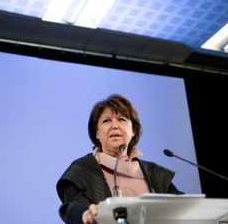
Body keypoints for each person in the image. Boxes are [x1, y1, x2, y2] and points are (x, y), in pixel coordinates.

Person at [56, 94, 183, 224]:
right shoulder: (82, 169)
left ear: (133, 131)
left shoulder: (153, 172)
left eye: (121, 119)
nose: (114, 126)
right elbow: (72, 207)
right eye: (106, 121)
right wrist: (86, 214)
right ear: (97, 133)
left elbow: (183, 204)